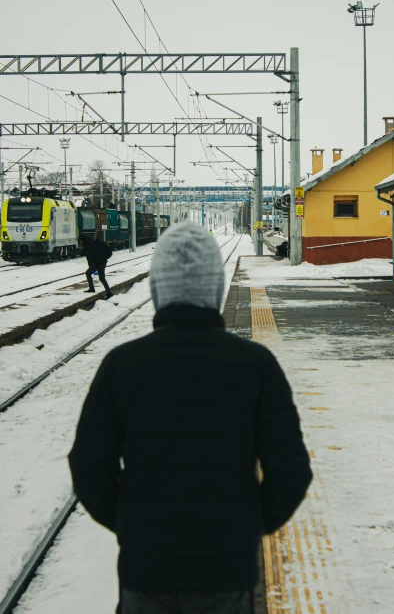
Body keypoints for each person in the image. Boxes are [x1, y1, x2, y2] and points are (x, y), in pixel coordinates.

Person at [69, 222, 312, 614]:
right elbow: (291, 469)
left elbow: (88, 467)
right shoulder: (254, 364)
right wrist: (247, 527)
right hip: (227, 573)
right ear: (215, 288)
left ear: (158, 289)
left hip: (146, 572)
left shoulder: (122, 365)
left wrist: (133, 525)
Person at [81, 233, 113, 300]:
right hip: (103, 262)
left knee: (88, 273)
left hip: (97, 263)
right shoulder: (93, 242)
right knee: (102, 278)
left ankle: (92, 288)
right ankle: (109, 292)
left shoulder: (88, 246)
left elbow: (90, 258)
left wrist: (92, 266)